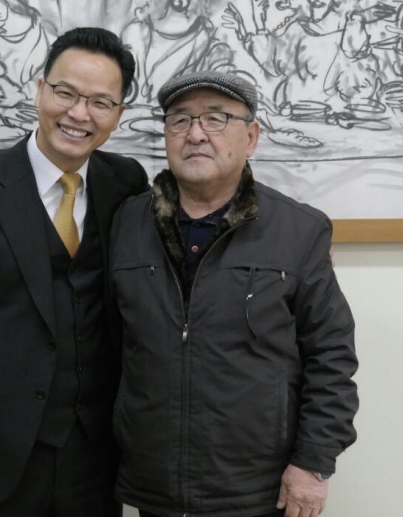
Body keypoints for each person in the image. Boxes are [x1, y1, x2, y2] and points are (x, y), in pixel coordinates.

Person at [0, 27, 149, 516]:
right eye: (66, 93)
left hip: (95, 450)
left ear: (118, 114)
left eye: (100, 102)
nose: (79, 114)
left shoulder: (126, 181)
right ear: (40, 90)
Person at [110, 71, 359, 517]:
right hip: (153, 484)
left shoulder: (298, 230)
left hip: (257, 488)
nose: (196, 134)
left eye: (216, 118)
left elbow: (331, 355)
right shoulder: (125, 223)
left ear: (251, 137)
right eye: (180, 120)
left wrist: (313, 464)